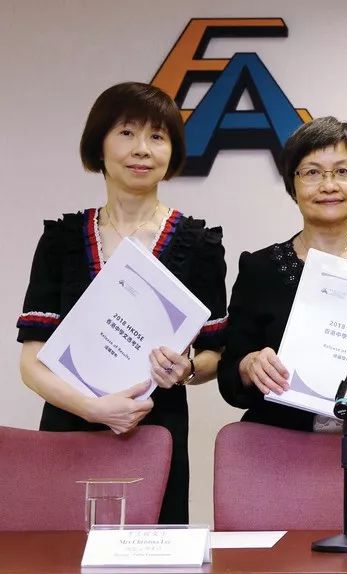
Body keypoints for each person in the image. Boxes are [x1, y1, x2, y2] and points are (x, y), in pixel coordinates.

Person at [17, 82, 228, 524]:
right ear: (99, 144)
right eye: (127, 133)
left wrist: (187, 369)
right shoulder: (61, 240)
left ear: (172, 151)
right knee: (60, 550)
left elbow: (214, 354)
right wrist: (93, 409)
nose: (142, 149)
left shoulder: (200, 244)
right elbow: (32, 362)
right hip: (69, 430)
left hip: (156, 431)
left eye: (157, 136)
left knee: (154, 548)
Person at [217, 117, 347, 431]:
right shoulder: (259, 269)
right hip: (281, 441)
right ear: (292, 184)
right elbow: (229, 379)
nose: (329, 186)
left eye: (342, 171)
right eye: (312, 172)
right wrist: (249, 366)